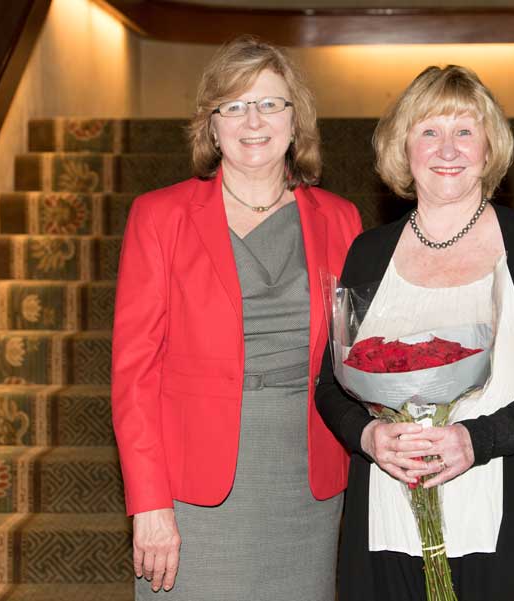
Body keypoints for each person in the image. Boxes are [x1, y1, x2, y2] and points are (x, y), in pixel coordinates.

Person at [315, 64, 514, 600]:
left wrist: (477, 440)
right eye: (429, 131)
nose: (448, 148)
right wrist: (369, 436)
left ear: (490, 149)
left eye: (464, 131)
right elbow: (330, 386)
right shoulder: (368, 252)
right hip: (387, 525)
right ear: (403, 149)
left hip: (509, 531)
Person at [111, 36, 362, 601]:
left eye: (271, 103)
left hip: (308, 478)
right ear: (212, 124)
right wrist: (149, 501)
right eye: (234, 105)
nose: (254, 120)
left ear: (296, 120)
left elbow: (355, 352)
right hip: (190, 482)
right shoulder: (159, 217)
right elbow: (134, 374)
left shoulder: (340, 219)